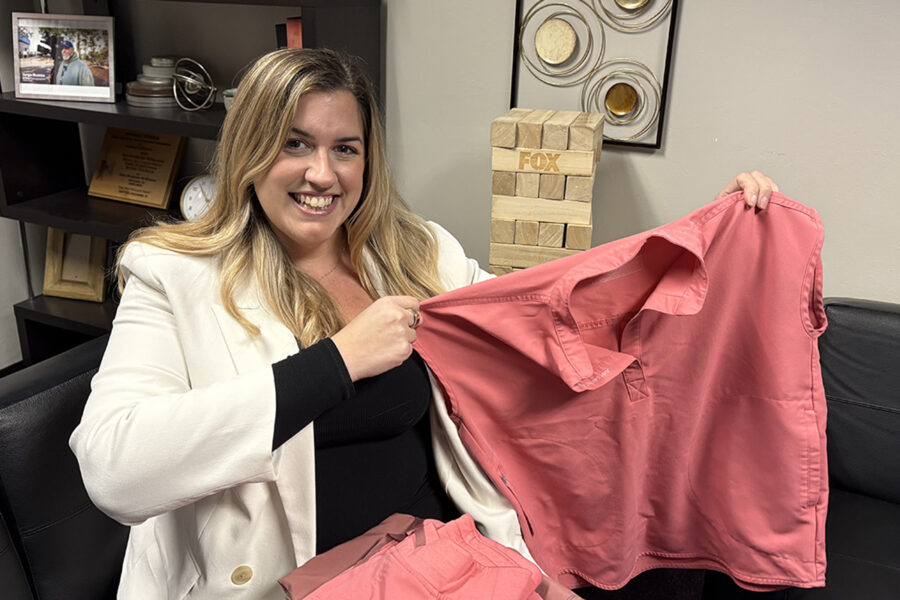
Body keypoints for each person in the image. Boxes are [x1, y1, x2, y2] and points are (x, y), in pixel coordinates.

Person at [69, 48, 778, 599]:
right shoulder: (172, 274)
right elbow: (114, 469)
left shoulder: (416, 251)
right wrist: (336, 362)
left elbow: (551, 318)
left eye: (345, 147)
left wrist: (699, 243)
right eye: (294, 143)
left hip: (445, 555)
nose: (323, 173)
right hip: (296, 581)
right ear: (250, 151)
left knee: (685, 566)